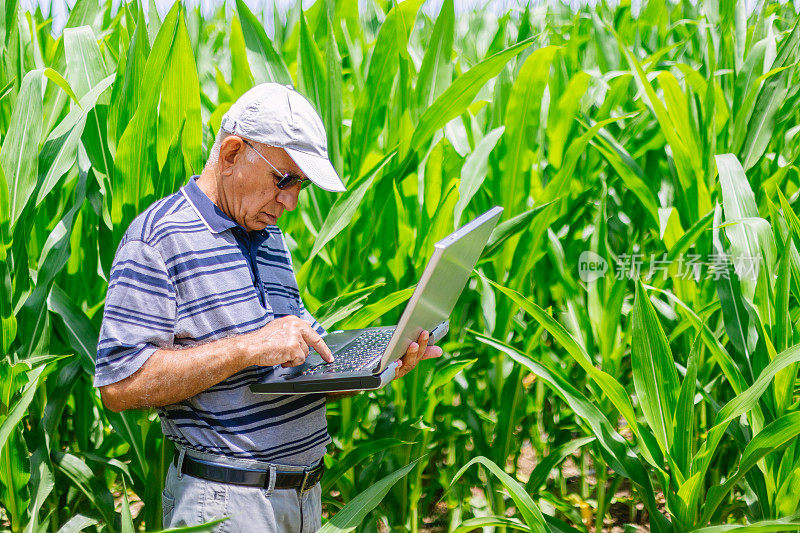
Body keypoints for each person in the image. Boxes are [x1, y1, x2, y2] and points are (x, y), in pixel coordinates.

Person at [94, 83, 443, 532]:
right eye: (284, 179)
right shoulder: (158, 238)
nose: (291, 201)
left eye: (299, 185)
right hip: (226, 505)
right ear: (233, 152)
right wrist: (249, 347)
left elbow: (294, 376)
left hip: (302, 499)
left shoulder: (271, 239)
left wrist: (378, 367)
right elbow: (119, 385)